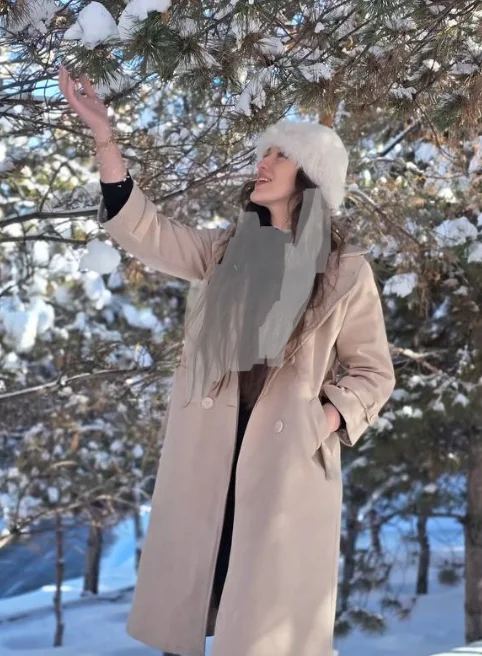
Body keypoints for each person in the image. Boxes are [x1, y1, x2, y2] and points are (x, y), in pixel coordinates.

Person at [59, 64, 396, 656]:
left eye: (280, 156)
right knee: (189, 616)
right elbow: (145, 230)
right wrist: (105, 140)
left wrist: (323, 420)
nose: (262, 164)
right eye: (263, 153)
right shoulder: (225, 251)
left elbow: (373, 372)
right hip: (211, 455)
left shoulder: (346, 272)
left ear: (311, 176)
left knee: (260, 630)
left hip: (284, 466)